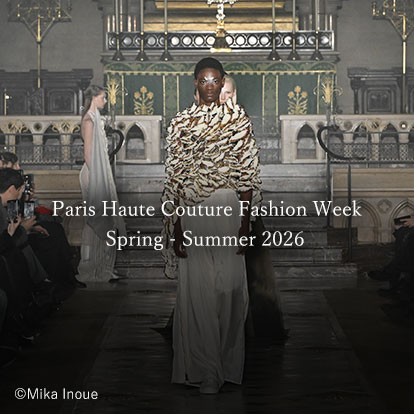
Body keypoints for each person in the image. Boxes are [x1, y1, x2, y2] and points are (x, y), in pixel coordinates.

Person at [162, 57, 261, 394]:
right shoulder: (180, 123)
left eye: (214, 80)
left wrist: (245, 224)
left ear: (222, 83)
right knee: (198, 292)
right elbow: (175, 179)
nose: (209, 86)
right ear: (195, 83)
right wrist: (176, 227)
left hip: (228, 210)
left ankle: (226, 364)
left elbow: (247, 175)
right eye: (203, 80)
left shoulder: (238, 121)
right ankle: (206, 370)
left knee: (230, 293)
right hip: (193, 212)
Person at [77, 85, 126, 282]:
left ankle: (103, 266)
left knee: (105, 219)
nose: (105, 101)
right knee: (96, 220)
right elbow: (88, 154)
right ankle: (91, 267)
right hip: (93, 174)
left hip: (99, 172)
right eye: (103, 98)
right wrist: (99, 179)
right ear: (94, 98)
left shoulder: (96, 118)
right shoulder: (89, 121)